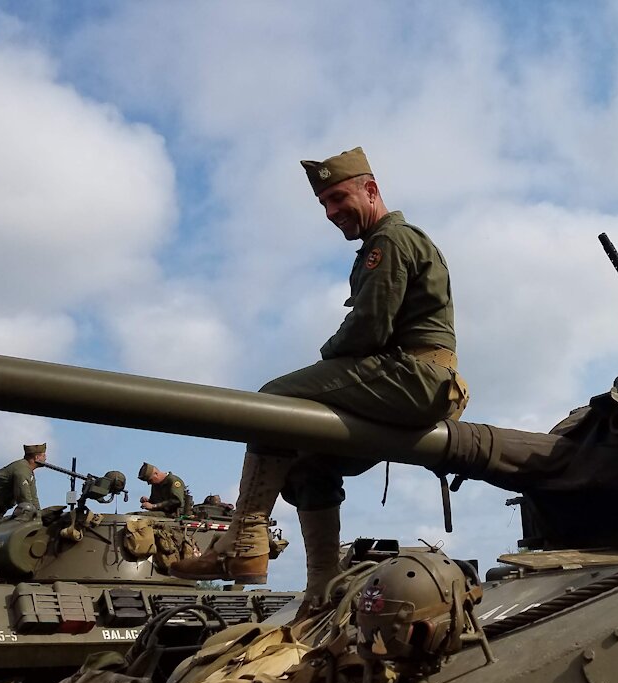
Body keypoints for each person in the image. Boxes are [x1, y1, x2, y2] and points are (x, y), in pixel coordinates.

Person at [169, 146, 468, 602]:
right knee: (309, 462)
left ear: (371, 190)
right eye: (323, 203)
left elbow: (368, 327)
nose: (331, 212)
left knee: (271, 403)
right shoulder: (388, 243)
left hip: (414, 378)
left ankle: (245, 538)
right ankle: (322, 586)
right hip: (413, 381)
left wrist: (328, 357)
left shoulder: (391, 241)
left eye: (338, 198)